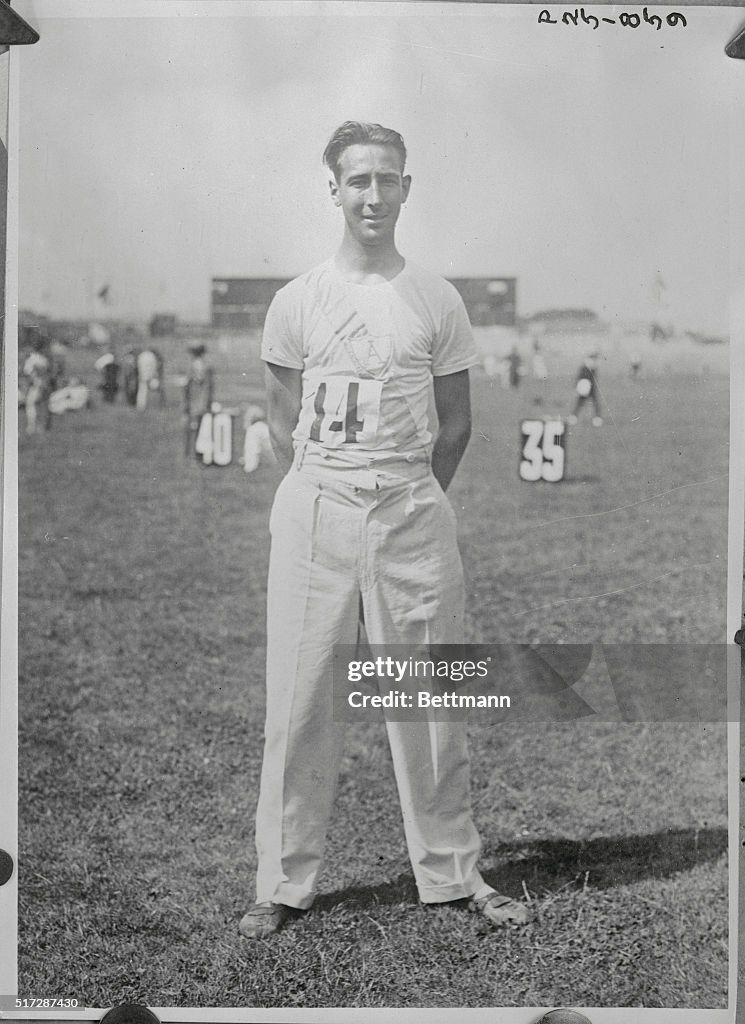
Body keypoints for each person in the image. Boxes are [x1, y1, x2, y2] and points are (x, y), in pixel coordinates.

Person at [239, 120, 533, 940]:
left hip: (409, 509)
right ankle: (282, 882)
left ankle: (451, 873)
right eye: (358, 179)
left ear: (406, 187)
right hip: (316, 509)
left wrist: (404, 496)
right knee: (299, 702)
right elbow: (282, 417)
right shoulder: (296, 299)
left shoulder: (436, 298)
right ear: (333, 189)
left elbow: (456, 422)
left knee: (429, 700)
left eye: (387, 179)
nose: (373, 194)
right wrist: (329, 488)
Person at [183, 344, 215, 457]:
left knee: (193, 427)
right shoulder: (207, 366)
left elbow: (187, 385)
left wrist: (185, 402)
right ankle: (197, 451)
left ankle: (192, 451)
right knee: (200, 427)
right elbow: (210, 386)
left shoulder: (193, 366)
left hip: (194, 400)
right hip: (203, 400)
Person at [568, 351, 602, 425]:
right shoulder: (586, 367)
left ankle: (597, 418)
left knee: (592, 402)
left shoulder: (591, 368)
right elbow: (580, 377)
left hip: (590, 388)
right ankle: (574, 417)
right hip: (585, 388)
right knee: (581, 402)